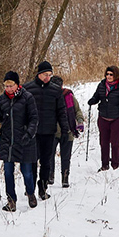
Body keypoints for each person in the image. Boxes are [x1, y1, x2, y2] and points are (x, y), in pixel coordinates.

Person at [0, 71, 39, 212]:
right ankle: (11, 200)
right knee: (7, 172)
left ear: (17, 85)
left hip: (24, 140)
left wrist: (29, 133)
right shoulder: (2, 99)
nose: (9, 89)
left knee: (27, 172)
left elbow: (34, 118)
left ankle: (30, 193)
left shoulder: (27, 97)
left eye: (11, 85)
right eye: (6, 86)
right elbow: (2, 118)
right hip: (7, 140)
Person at [23, 61, 71, 201]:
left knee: (46, 162)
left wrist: (64, 130)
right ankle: (30, 188)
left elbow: (61, 112)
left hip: (49, 131)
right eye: (45, 74)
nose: (47, 77)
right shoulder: (27, 89)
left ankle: (43, 188)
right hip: (32, 132)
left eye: (50, 75)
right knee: (31, 161)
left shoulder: (55, 90)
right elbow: (21, 110)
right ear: (39, 74)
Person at [88, 66, 119, 171]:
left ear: (116, 75)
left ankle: (115, 165)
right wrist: (92, 100)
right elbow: (97, 96)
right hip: (104, 117)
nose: (108, 76)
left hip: (118, 117)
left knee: (115, 143)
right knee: (103, 143)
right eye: (107, 74)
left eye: (111, 74)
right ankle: (104, 165)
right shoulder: (102, 85)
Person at [52, 75, 85, 187]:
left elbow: (77, 110)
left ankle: (65, 178)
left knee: (66, 157)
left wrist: (80, 122)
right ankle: (50, 176)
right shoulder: (47, 97)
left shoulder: (68, 96)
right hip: (52, 131)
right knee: (49, 155)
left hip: (68, 131)